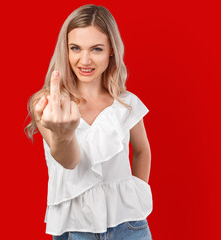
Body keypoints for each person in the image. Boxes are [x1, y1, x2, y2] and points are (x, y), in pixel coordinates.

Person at [24, 4, 153, 240]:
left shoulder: (126, 103)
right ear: (66, 50)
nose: (85, 60)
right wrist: (63, 134)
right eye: (76, 48)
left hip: (129, 225)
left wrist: (135, 194)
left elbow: (142, 150)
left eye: (96, 49)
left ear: (111, 50)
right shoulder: (47, 104)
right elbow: (69, 161)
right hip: (75, 227)